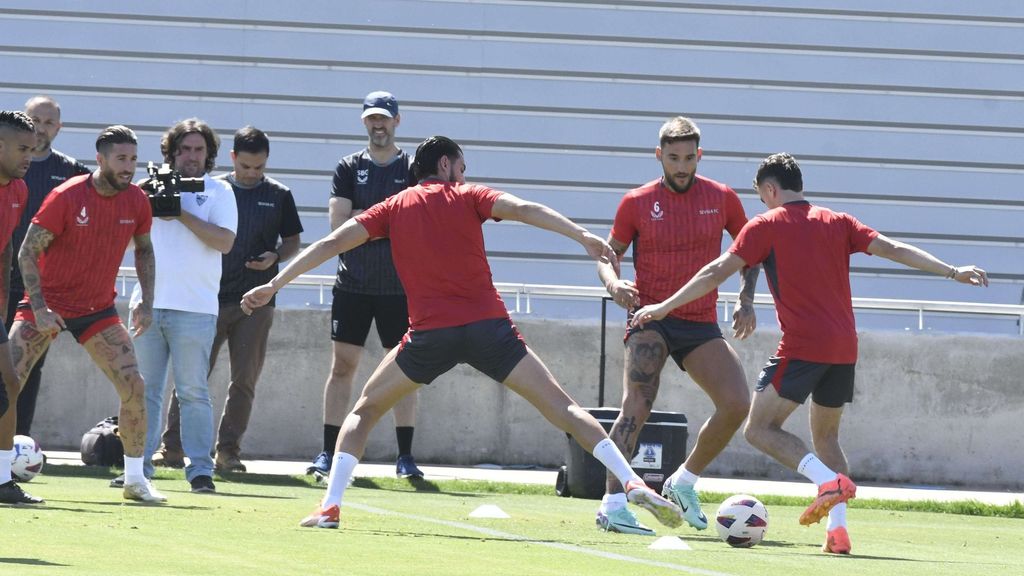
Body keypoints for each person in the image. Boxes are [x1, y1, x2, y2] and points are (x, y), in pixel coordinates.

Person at [241, 136, 685, 531]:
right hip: (490, 330)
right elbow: (526, 209)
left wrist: (274, 283)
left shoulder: (392, 207)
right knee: (565, 409)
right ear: (447, 166)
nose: (464, 174)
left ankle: (331, 506)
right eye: (462, 166)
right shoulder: (468, 195)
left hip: (429, 336)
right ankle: (629, 479)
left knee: (364, 410)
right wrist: (582, 236)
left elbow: (329, 244)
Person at [631, 152, 988, 554]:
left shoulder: (766, 224)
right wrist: (952, 271)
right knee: (827, 437)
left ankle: (827, 482)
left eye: (762, 197)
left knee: (758, 428)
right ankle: (838, 532)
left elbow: (715, 271)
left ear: (770, 190)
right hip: (844, 347)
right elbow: (892, 247)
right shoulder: (838, 221)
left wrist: (662, 307)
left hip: (803, 347)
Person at [595, 116, 759, 535]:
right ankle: (612, 504)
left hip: (700, 322)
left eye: (689, 157)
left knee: (738, 403)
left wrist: (745, 299)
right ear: (659, 156)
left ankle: (683, 481)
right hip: (651, 317)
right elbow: (606, 254)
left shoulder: (722, 198)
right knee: (637, 404)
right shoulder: (635, 201)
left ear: (699, 155)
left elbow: (750, 252)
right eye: (673, 158)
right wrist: (614, 284)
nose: (682, 166)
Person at [1, 124, 165, 503]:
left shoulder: (138, 200)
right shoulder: (67, 196)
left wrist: (146, 301)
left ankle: (135, 480)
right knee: (5, 385)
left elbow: (144, 251)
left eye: (133, 159)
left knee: (134, 387)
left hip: (98, 311)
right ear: (101, 159)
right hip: (47, 306)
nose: (128, 167)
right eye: (121, 158)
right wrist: (38, 308)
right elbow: (27, 251)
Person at [161, 126, 302, 473]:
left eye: (259, 168)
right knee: (192, 376)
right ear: (233, 158)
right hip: (208, 297)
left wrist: (275, 257)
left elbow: (293, 241)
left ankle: (228, 451)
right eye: (246, 167)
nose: (252, 174)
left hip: (255, 301)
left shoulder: (280, 194)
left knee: (244, 380)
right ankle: (172, 448)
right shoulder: (215, 189)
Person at [307, 91, 424, 481]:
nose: (379, 125)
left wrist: (366, 222)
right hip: (353, 285)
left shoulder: (411, 168)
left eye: (385, 118)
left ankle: (405, 457)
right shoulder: (348, 166)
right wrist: (386, 222)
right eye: (372, 118)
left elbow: (416, 224)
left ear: (397, 121)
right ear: (364, 122)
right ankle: (328, 452)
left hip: (400, 287)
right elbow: (338, 225)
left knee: (403, 371)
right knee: (343, 367)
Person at [124, 118, 238, 494]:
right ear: (171, 154)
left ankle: (200, 470)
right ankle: (137, 469)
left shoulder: (219, 190)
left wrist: (180, 214)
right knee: (144, 390)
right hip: (149, 304)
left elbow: (224, 242)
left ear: (209, 155)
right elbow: (123, 239)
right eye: (184, 149)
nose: (191, 156)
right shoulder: (146, 189)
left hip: (196, 307)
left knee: (193, 392)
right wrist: (144, 198)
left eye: (198, 150)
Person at [6, 96, 89, 437]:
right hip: (3, 280)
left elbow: (101, 202)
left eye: (48, 122)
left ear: (59, 128)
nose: (41, 128)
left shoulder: (71, 172)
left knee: (27, 367)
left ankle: (17, 446)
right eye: (35, 120)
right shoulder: (8, 169)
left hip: (40, 289)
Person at [0, 111, 33, 426]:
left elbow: (6, 245)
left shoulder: (19, 190)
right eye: (22, 149)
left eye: (32, 150)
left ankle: (2, 471)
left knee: (9, 383)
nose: (29, 157)